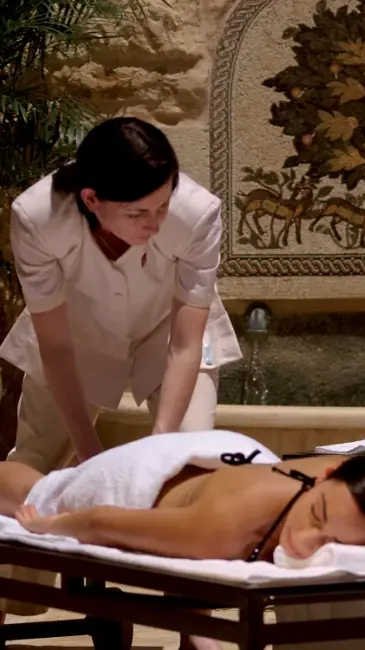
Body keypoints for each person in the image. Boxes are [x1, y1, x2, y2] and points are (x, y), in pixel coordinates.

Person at [0, 118, 242, 621]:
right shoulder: (37, 216)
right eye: (138, 213)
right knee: (36, 460)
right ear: (91, 200)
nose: (155, 223)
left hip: (166, 332)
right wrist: (90, 454)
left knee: (192, 460)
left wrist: (160, 448)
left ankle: (194, 623)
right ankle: (18, 597)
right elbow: (56, 348)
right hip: (75, 334)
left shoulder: (198, 212)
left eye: (163, 206)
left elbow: (185, 343)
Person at [0, 431, 365, 650]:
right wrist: (47, 528)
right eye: (316, 515)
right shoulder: (221, 528)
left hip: (236, 455)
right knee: (36, 490)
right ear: (325, 475)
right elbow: (101, 522)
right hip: (148, 473)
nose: (305, 542)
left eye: (332, 540)